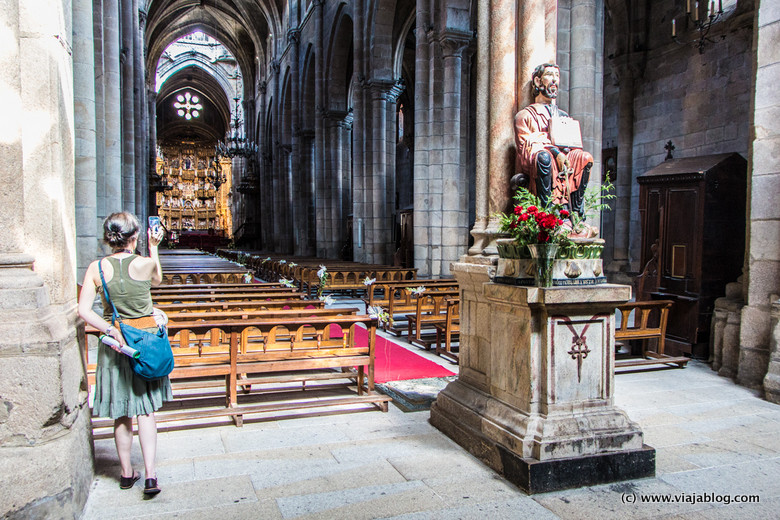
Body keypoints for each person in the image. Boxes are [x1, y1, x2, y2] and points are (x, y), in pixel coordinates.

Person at [78, 212, 171, 497]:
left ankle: (126, 473)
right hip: (143, 343)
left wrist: (110, 328)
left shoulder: (96, 268)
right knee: (145, 411)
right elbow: (157, 281)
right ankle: (151, 476)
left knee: (121, 414)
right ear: (135, 237)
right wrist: (154, 246)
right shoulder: (144, 264)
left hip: (115, 345)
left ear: (109, 238)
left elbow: (82, 310)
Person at [513, 63, 594, 220]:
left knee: (585, 158)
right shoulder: (525, 115)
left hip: (565, 160)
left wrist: (566, 151)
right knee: (543, 157)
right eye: (550, 75)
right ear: (537, 81)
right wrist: (555, 152)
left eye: (557, 76)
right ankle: (547, 213)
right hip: (542, 160)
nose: (554, 80)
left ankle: (575, 214)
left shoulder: (563, 116)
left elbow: (571, 143)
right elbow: (527, 143)